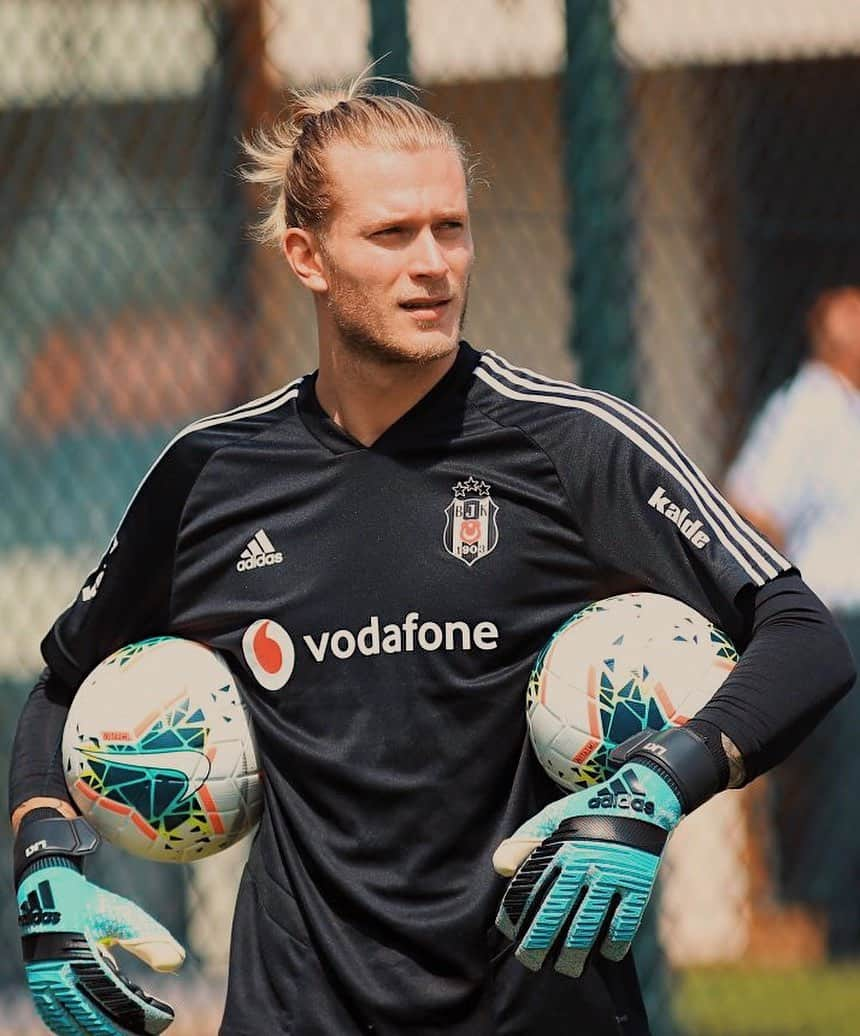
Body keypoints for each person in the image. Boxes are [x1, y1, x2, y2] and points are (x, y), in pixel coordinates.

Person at [9, 76, 855, 1036]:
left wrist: (659, 783)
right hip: (296, 1014)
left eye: (450, 228)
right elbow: (60, 686)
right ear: (306, 255)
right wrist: (46, 861)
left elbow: (801, 636)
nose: (434, 265)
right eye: (391, 234)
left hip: (536, 1012)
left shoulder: (570, 444)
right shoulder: (210, 472)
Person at [726, 285, 860, 955]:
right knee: (848, 773)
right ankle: (835, 923)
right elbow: (751, 501)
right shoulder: (807, 408)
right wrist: (784, 593)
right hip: (835, 617)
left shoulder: (846, 409)